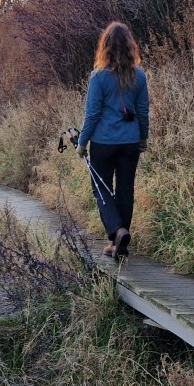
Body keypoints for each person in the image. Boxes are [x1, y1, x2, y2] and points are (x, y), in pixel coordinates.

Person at [76, 21, 150, 260]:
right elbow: (143, 112)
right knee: (125, 189)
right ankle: (120, 242)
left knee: (101, 188)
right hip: (130, 143)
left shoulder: (98, 78)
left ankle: (117, 233)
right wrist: (143, 138)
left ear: (105, 46)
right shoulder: (139, 76)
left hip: (103, 143)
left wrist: (82, 142)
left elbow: (93, 114)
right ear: (130, 46)